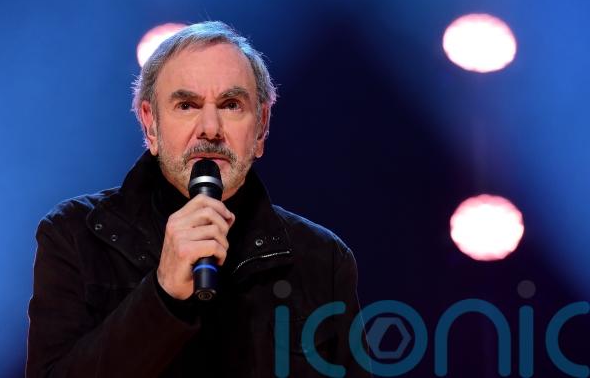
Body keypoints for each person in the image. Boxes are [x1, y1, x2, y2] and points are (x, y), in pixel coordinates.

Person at [26, 21, 371, 377]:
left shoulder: (323, 260)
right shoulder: (74, 236)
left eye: (231, 105)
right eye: (187, 105)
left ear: (261, 127)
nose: (210, 128)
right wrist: (161, 295)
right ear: (150, 124)